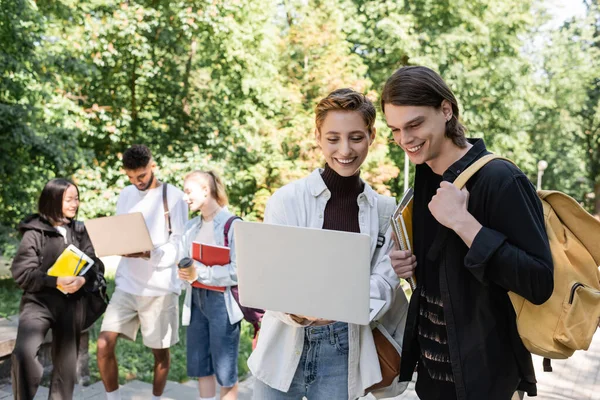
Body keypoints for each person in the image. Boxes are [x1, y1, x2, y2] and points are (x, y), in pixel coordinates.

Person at [382, 66, 554, 400]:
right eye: (395, 129)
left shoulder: (500, 179)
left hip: (487, 381)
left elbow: (539, 281)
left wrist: (464, 224)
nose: (405, 140)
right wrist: (409, 268)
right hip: (433, 380)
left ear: (446, 110)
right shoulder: (426, 175)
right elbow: (450, 277)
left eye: (414, 125)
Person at [248, 88, 404, 400]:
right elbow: (273, 279)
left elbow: (385, 283)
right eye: (333, 138)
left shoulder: (386, 209)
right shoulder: (286, 200)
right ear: (318, 137)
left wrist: (330, 305)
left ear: (372, 135)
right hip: (283, 344)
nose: (345, 149)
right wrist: (301, 310)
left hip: (344, 349)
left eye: (356, 137)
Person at [96, 145, 188, 400]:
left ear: (152, 166)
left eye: (142, 176)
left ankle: (156, 397)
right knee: (104, 344)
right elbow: (121, 230)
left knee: (160, 354)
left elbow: (180, 243)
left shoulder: (175, 197)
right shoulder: (126, 194)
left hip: (160, 289)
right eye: (131, 177)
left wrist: (150, 253)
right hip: (127, 285)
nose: (137, 182)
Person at [11, 178, 105, 399]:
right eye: (69, 199)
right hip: (39, 303)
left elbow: (95, 265)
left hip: (72, 305)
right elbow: (22, 273)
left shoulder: (81, 231)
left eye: (77, 198)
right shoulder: (34, 232)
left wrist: (82, 280)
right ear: (53, 200)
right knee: (24, 354)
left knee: (66, 368)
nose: (75, 204)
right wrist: (55, 281)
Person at [177, 170, 243, 400]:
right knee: (200, 365)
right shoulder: (190, 227)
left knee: (225, 371)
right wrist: (183, 272)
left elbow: (238, 271)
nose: (185, 198)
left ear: (206, 190)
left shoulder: (233, 225)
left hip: (222, 304)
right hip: (195, 300)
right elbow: (184, 260)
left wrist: (201, 273)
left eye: (188, 192)